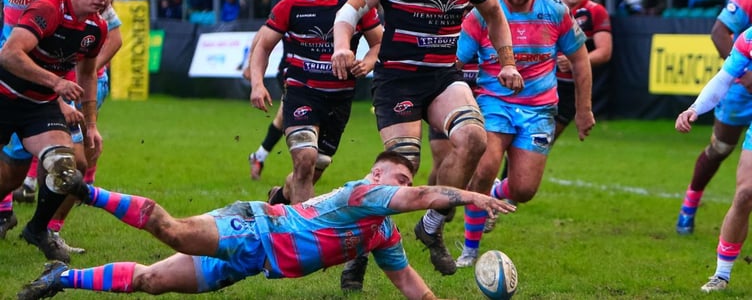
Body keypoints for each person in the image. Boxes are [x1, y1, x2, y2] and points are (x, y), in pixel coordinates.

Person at [331, 0, 523, 284]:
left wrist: (508, 62)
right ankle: (359, 246)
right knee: (403, 166)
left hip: (442, 77)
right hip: (397, 80)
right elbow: (348, 11)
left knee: (474, 139)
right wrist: (340, 47)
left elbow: (494, 15)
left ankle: (431, 224)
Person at [17, 151, 516, 299]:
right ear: (376, 176)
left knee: (151, 282)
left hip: (253, 262)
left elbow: (410, 285)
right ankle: (84, 191)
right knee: (172, 230)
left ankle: (61, 278)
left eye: (406, 180)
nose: (403, 186)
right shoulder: (362, 194)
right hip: (254, 229)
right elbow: (424, 196)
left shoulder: (382, 232)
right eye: (398, 178)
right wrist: (474, 195)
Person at [452, 0, 592, 267]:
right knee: (485, 169)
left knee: (524, 190)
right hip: (494, 102)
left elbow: (581, 59)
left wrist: (584, 110)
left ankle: (493, 194)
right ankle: (470, 250)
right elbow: (455, 61)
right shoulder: (483, 11)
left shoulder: (554, 9)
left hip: (539, 109)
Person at [0, 0, 115, 263]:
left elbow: (88, 75)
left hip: (40, 105)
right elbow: (9, 54)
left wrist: (92, 125)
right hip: (5, 95)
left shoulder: (97, 27)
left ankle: (38, 230)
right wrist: (56, 83)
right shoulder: (49, 9)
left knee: (67, 167)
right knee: (9, 179)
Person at [249, 0, 381, 204]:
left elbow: (379, 42)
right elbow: (263, 45)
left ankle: (279, 199)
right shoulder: (292, 4)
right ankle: (305, 230)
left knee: (309, 172)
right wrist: (257, 83)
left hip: (340, 100)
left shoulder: (356, 4)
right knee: (305, 159)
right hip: (302, 93)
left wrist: (368, 62)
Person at [0, 0, 78, 254]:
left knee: (70, 160)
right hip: (9, 71)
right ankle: (8, 212)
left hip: (50, 76)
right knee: (13, 166)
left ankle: (43, 228)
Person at [674, 25, 752, 292]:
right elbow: (723, 79)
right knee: (745, 194)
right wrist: (695, 108)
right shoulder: (748, 38)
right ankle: (721, 275)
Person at [675, 0, 752, 235]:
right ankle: (689, 205)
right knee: (721, 148)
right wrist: (744, 74)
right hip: (740, 88)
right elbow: (719, 33)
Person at [246, 0, 311, 180]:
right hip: (290, 75)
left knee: (283, 118)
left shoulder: (328, 10)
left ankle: (259, 156)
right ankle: (304, 165)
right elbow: (262, 35)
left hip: (319, 78)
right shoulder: (291, 9)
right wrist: (250, 64)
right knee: (300, 117)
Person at [555, 0, 612, 137]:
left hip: (570, 87)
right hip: (541, 81)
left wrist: (574, 61)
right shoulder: (547, 7)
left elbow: (604, 52)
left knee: (542, 141)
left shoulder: (595, 11)